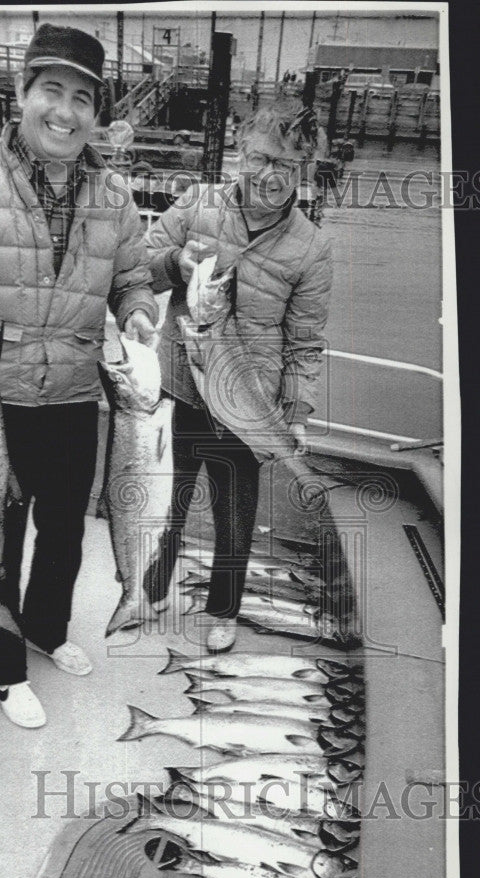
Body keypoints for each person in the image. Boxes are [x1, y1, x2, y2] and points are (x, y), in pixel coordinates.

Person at [0, 24, 159, 728]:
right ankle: (2, 668)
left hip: (75, 393)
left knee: (66, 531)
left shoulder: (112, 195)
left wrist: (135, 312)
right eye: (52, 90)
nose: (65, 111)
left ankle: (44, 629)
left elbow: (132, 276)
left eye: (82, 98)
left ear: (96, 112)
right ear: (21, 93)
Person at [143, 99, 333, 654]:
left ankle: (222, 609)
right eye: (259, 158)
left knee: (234, 512)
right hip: (183, 382)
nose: (269, 176)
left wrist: (295, 415)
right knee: (170, 495)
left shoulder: (313, 247)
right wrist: (176, 261)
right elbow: (141, 258)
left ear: (304, 172)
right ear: (239, 154)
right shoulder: (199, 203)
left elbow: (305, 342)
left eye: (286, 166)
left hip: (250, 401)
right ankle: (156, 574)